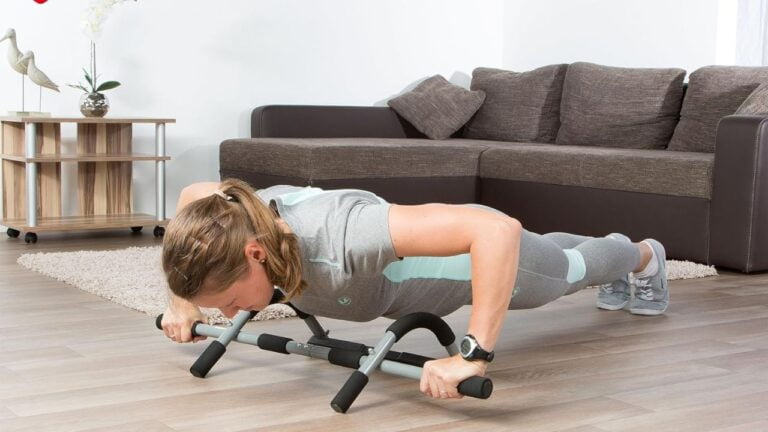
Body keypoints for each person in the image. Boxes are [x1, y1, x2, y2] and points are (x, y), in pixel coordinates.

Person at [160, 178, 669, 400]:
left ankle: (643, 254)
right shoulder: (230, 213)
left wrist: (474, 353)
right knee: (548, 254)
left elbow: (495, 233)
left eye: (227, 301)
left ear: (255, 254)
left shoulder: (343, 235)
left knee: (565, 273)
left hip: (471, 256)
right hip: (458, 242)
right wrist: (182, 301)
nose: (226, 314)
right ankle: (578, 251)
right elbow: (190, 196)